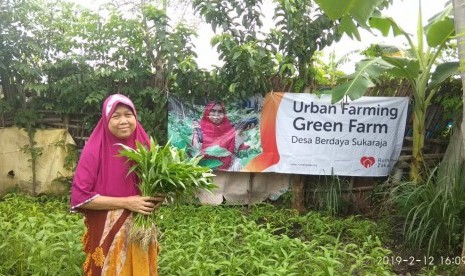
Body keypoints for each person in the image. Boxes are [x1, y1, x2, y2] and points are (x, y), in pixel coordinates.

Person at [70, 94, 164, 276]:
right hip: (108, 228)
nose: (124, 121)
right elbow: (80, 198)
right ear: (106, 119)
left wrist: (157, 198)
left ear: (135, 116)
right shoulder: (94, 149)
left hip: (140, 229)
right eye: (116, 115)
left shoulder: (145, 146)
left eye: (128, 114)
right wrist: (127, 203)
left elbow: (156, 187)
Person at [192, 101, 254, 171]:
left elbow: (233, 150)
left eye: (220, 112)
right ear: (207, 112)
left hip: (227, 169)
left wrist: (239, 131)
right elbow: (196, 153)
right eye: (213, 111)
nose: (216, 114)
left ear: (223, 113)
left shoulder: (228, 128)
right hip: (206, 169)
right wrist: (197, 134)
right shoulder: (199, 129)